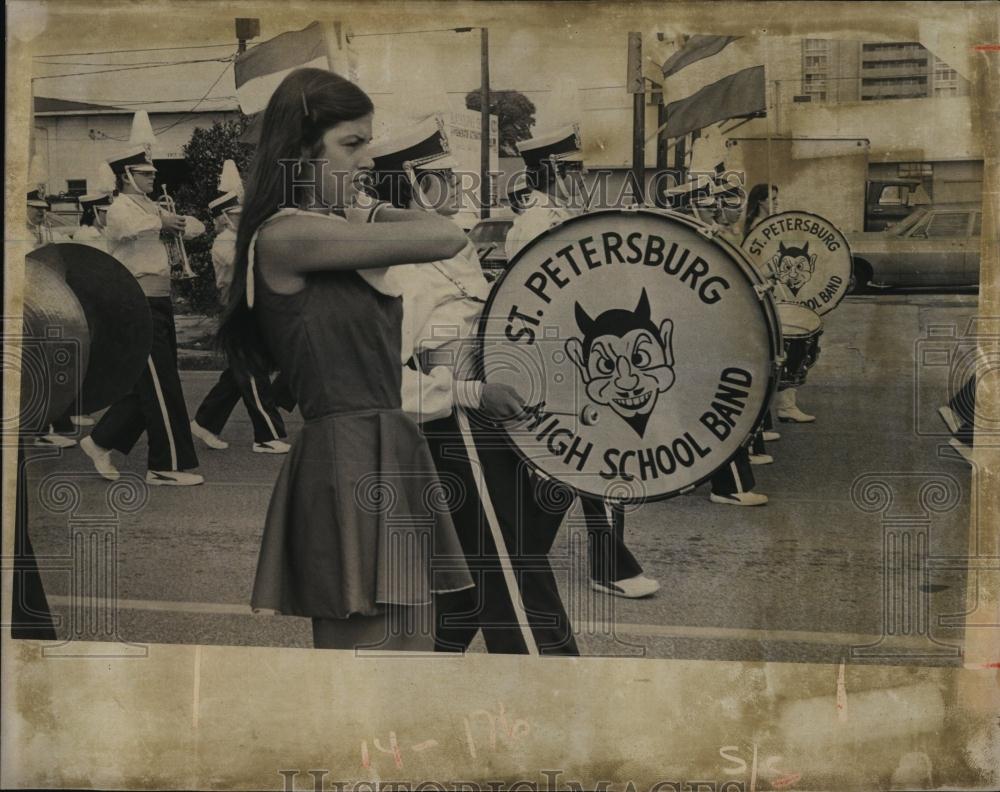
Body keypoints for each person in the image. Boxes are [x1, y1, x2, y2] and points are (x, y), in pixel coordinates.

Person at [216, 68, 474, 651]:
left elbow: (443, 230)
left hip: (388, 443)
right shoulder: (288, 236)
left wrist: (353, 208)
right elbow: (444, 236)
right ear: (300, 149)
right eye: (351, 144)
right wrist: (367, 211)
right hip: (346, 456)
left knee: (412, 652)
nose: (366, 161)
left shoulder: (325, 229)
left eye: (368, 143)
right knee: (368, 661)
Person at [368, 120, 580, 654]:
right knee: (516, 583)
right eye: (440, 175)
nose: (456, 183)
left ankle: (424, 679)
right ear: (410, 184)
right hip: (457, 439)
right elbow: (378, 385)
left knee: (472, 588)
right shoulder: (401, 267)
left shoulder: (451, 248)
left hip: (492, 429)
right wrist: (469, 394)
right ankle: (556, 698)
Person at [507, 125, 661, 597]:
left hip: (580, 361)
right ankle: (602, 565)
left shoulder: (560, 215)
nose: (582, 176)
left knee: (583, 461)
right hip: (559, 360)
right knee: (588, 460)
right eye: (574, 168)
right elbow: (534, 299)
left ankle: (525, 555)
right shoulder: (535, 223)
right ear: (551, 169)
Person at [79, 147, 207, 486]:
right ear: (127, 176)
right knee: (162, 384)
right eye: (146, 173)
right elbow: (128, 229)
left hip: (158, 299)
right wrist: (162, 220)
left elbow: (195, 229)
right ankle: (164, 466)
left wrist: (183, 222)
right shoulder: (119, 208)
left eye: (152, 172)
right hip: (136, 301)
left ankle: (100, 440)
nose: (154, 177)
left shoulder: (152, 206)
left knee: (150, 383)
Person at [191, 185, 290, 455]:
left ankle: (205, 422)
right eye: (237, 214)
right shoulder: (224, 241)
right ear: (224, 218)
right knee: (253, 372)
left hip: (250, 309)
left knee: (238, 375)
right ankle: (266, 435)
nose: (244, 217)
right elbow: (249, 263)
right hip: (235, 311)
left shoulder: (243, 237)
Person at [745, 183, 815, 424]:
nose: (777, 203)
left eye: (777, 198)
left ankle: (782, 407)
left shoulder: (767, 229)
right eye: (772, 199)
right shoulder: (756, 231)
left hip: (774, 294)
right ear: (760, 202)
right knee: (785, 348)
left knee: (782, 349)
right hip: (767, 295)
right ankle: (784, 407)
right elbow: (755, 267)